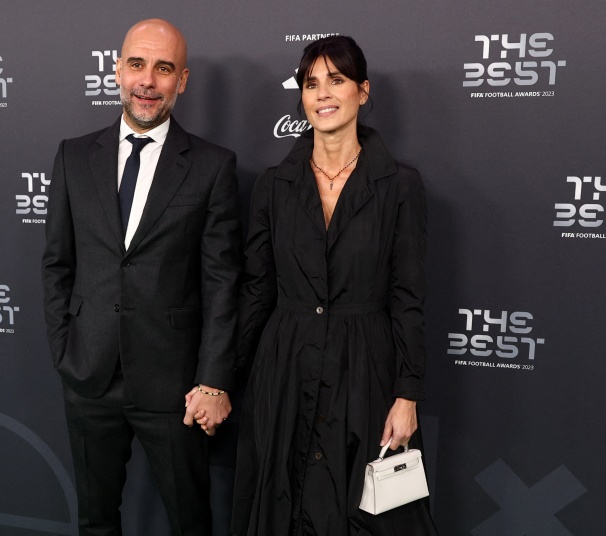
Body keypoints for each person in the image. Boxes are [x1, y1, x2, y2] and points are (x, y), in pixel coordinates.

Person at [42, 18, 242, 536]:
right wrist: (66, 351)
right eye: (136, 64)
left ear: (183, 80)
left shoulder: (212, 166)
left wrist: (212, 380)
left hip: (174, 385)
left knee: (191, 522)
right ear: (117, 71)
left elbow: (222, 283)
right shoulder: (73, 156)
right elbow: (58, 263)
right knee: (95, 521)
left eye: (163, 68)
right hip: (89, 375)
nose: (147, 81)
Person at [231, 36, 438, 535]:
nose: (322, 93)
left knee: (363, 512)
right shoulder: (273, 185)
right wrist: (222, 377)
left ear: (362, 92)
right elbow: (257, 290)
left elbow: (408, 296)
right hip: (285, 367)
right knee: (281, 504)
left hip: (365, 367)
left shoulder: (399, 185)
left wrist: (407, 395)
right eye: (311, 84)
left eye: (336, 80)